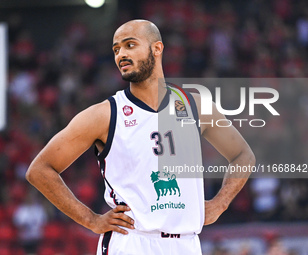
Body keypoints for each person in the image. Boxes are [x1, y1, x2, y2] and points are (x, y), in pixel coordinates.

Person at [26, 19, 255, 255]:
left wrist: (220, 204)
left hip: (186, 244)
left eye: (130, 45)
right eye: (116, 49)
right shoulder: (104, 115)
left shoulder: (195, 106)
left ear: (157, 48)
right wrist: (91, 220)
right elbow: (40, 169)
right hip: (132, 242)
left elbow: (243, 155)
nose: (121, 55)